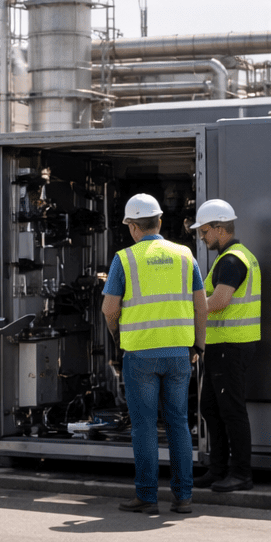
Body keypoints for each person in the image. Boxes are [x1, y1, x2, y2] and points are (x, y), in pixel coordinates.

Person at [100, 194, 207, 515]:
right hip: (179, 353)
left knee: (144, 427)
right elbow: (201, 306)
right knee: (178, 424)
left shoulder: (124, 259)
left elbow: (109, 308)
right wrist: (198, 346)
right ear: (159, 221)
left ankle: (147, 497)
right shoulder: (185, 255)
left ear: (133, 227)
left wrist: (118, 336)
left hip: (140, 355)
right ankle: (183, 497)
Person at [191, 199, 261, 492]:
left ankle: (241, 474)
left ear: (220, 229)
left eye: (204, 231)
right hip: (224, 346)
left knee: (231, 410)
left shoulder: (232, 261)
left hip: (230, 347)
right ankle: (218, 469)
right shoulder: (234, 257)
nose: (202, 237)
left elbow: (219, 301)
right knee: (210, 406)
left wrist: (189, 312)